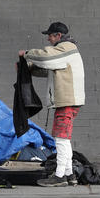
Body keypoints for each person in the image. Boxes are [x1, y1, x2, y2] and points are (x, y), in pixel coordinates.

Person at [18, 21, 86, 187]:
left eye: (50, 35)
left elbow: (47, 57)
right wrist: (28, 67)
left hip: (67, 102)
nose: (48, 39)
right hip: (69, 101)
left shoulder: (66, 48)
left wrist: (27, 54)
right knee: (64, 138)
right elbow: (47, 67)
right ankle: (70, 175)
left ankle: (60, 176)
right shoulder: (64, 53)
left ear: (58, 36)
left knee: (61, 138)